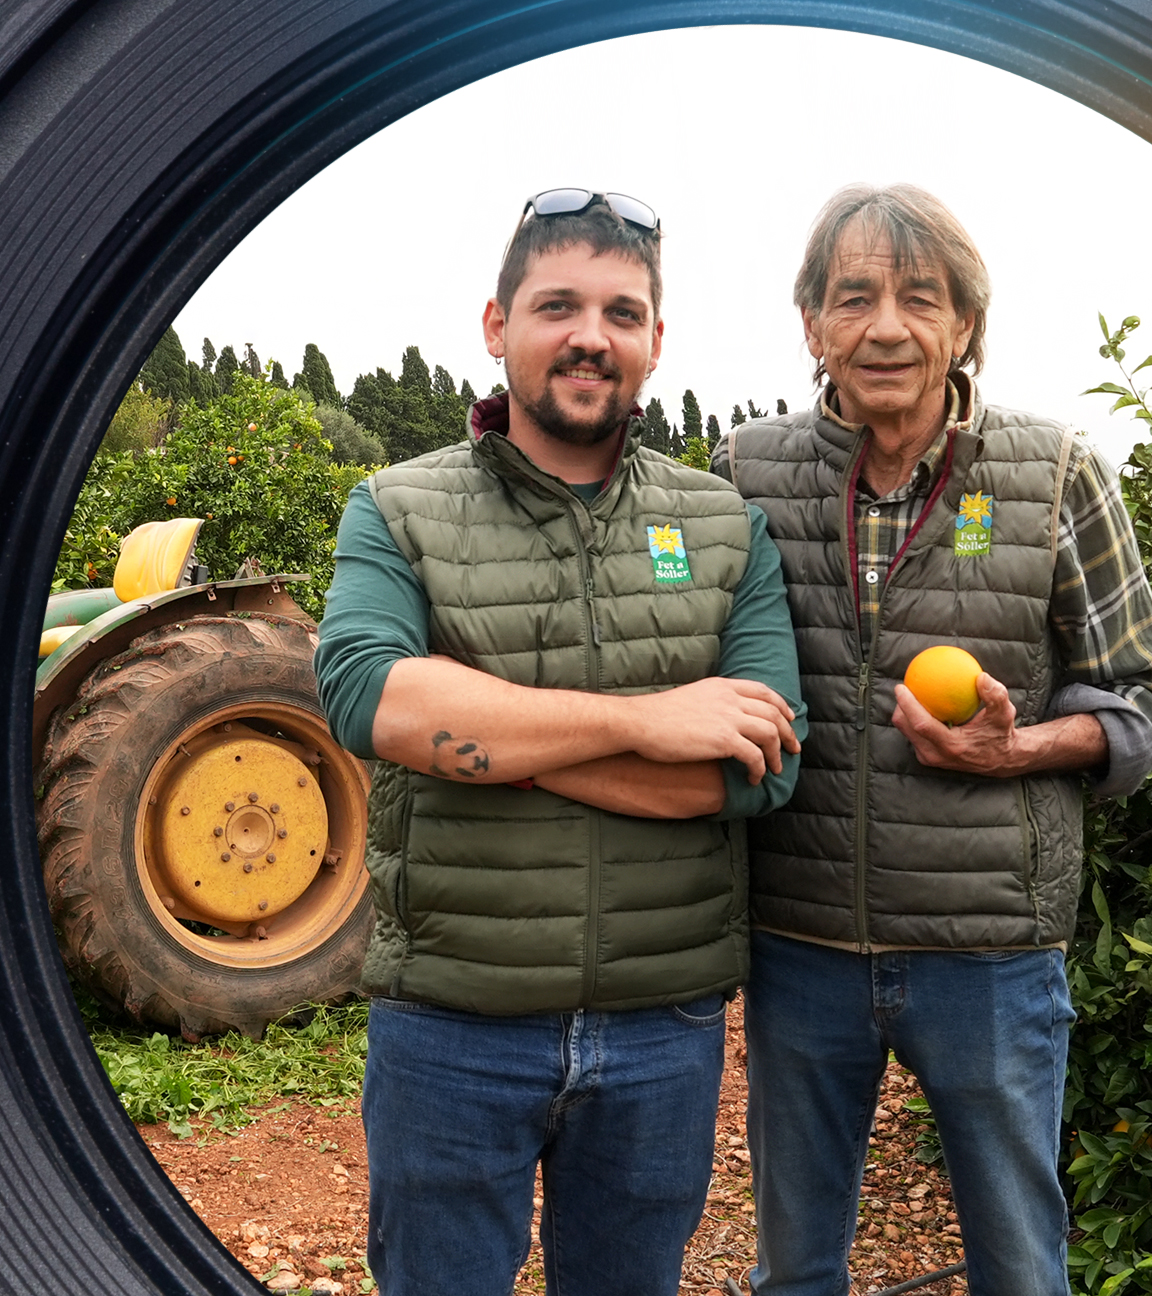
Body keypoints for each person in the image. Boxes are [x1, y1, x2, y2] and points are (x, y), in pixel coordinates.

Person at [314, 188, 806, 1296]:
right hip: (452, 1026)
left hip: (661, 1034)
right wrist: (649, 720)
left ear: (655, 342)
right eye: (559, 306)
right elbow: (369, 697)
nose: (592, 335)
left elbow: (764, 766)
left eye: (622, 313)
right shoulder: (397, 508)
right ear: (498, 326)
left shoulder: (727, 527)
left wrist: (477, 731)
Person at [716, 182, 1152, 1296]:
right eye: (853, 297)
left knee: (1016, 1261)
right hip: (800, 942)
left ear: (966, 323)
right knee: (795, 1265)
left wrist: (1023, 750)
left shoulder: (1056, 474)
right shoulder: (744, 476)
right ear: (811, 324)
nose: (888, 327)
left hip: (991, 953)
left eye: (922, 296)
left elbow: (1141, 706)